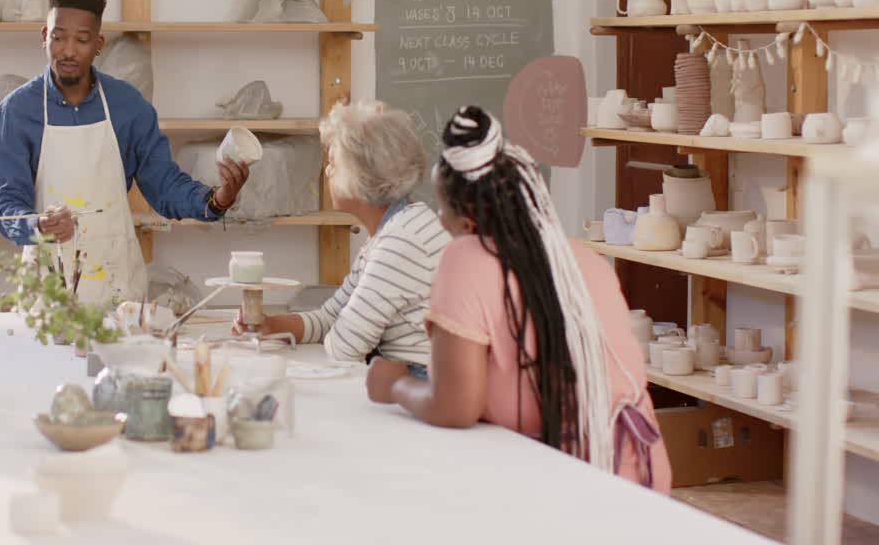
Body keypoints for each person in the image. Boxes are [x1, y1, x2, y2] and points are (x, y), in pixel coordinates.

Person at [364, 106, 671, 493]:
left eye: (443, 208)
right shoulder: (583, 259)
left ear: (468, 223)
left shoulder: (467, 257)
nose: (439, 220)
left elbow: (454, 408)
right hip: (637, 475)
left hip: (571, 493)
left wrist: (396, 386)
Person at [0, 0, 250, 305]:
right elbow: (7, 207)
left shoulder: (128, 106)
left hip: (116, 284)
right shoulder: (16, 111)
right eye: (58, 37)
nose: (68, 50)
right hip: (47, 291)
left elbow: (164, 185)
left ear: (98, 44)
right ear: (45, 36)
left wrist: (218, 199)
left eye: (82, 40)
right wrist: (38, 224)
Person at [232, 101, 450, 377]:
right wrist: (270, 325)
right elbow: (329, 317)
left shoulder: (401, 242)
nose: (327, 172)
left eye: (333, 162)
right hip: (402, 374)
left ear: (362, 175)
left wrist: (340, 330)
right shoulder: (392, 231)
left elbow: (344, 347)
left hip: (421, 382)